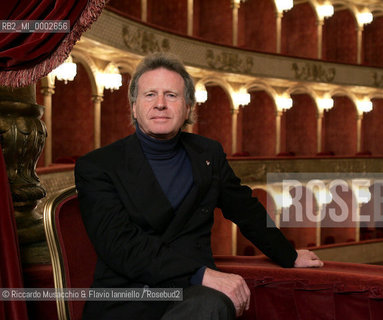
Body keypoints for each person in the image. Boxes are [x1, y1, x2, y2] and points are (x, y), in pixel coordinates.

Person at [74, 52, 323, 320]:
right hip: (130, 295)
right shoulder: (97, 166)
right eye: (150, 95)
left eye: (171, 95)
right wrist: (202, 273)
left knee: (211, 304)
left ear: (189, 107)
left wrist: (287, 255)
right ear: (134, 107)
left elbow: (244, 208)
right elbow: (121, 246)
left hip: (192, 295)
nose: (160, 104)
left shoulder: (208, 154)